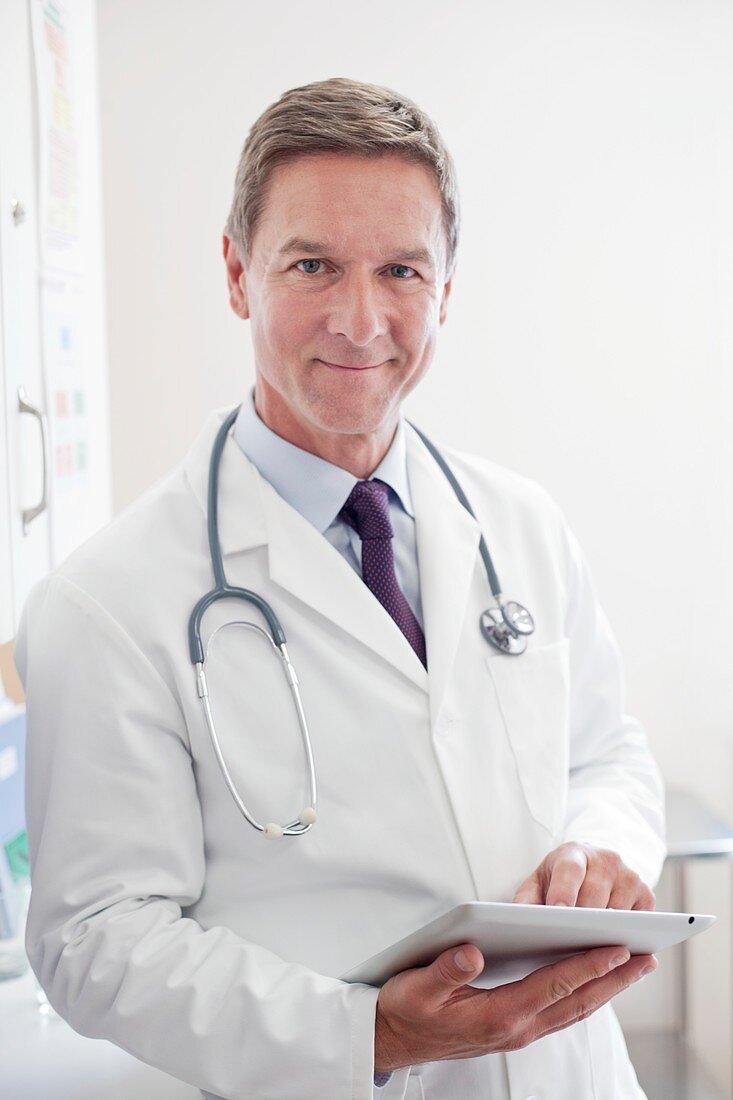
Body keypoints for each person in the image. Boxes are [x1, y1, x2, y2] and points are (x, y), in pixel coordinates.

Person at [14, 77, 665, 1100]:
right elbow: (93, 939)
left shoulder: (521, 523)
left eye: (401, 269)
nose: (360, 321)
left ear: (446, 288)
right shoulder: (108, 602)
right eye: (311, 264)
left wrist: (602, 844)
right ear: (238, 274)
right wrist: (368, 1032)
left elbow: (607, 749)